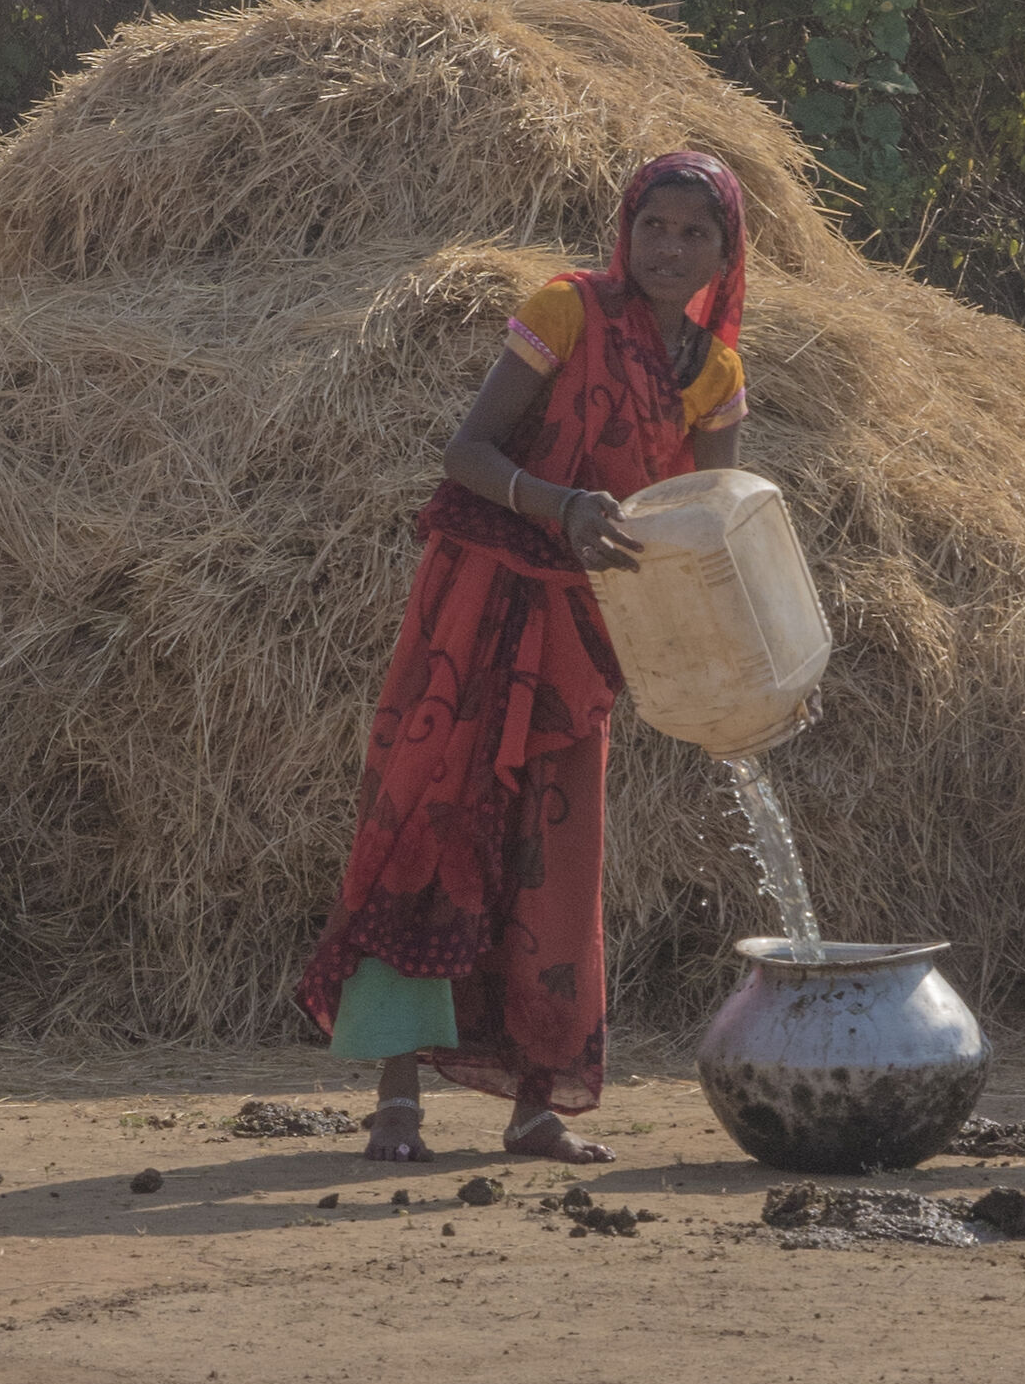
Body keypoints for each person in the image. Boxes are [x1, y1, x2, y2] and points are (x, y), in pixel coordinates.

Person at [293, 152, 752, 1164]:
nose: (669, 249)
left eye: (694, 233)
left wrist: (728, 670)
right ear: (624, 232)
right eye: (653, 227)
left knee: (556, 859)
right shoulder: (568, 313)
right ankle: (397, 1096)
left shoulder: (715, 380)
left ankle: (535, 1105)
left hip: (583, 637)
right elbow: (469, 453)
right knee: (429, 821)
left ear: (727, 251)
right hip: (479, 607)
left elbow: (699, 530)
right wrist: (564, 507)